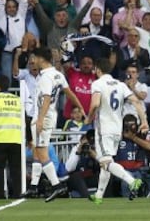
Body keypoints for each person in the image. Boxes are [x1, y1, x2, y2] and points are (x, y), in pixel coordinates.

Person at [22, 46, 86, 202]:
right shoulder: (57, 74)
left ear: (40, 59)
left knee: (42, 152)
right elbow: (69, 93)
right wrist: (81, 108)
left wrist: (40, 119)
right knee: (37, 151)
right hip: (50, 115)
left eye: (33, 58)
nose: (32, 61)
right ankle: (34, 187)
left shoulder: (45, 77)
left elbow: (46, 99)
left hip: (43, 116)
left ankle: (58, 186)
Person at [85, 58, 149, 204]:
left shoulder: (97, 84)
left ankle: (132, 181)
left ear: (97, 69)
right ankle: (99, 195)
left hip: (104, 128)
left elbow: (95, 104)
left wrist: (89, 119)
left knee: (105, 162)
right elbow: (137, 102)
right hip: (117, 129)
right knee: (108, 161)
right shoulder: (120, 85)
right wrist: (144, 122)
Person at [114, 114, 150, 198]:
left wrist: (133, 138)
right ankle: (127, 202)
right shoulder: (117, 136)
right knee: (127, 179)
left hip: (138, 169)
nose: (130, 128)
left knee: (146, 178)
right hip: (122, 170)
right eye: (127, 125)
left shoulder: (140, 135)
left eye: (132, 125)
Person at [65, 129, 100, 198]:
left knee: (106, 175)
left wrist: (92, 153)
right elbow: (69, 168)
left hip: (91, 177)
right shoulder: (76, 149)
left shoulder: (97, 149)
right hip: (76, 179)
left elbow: (103, 163)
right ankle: (87, 199)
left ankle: (106, 198)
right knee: (76, 176)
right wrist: (78, 153)